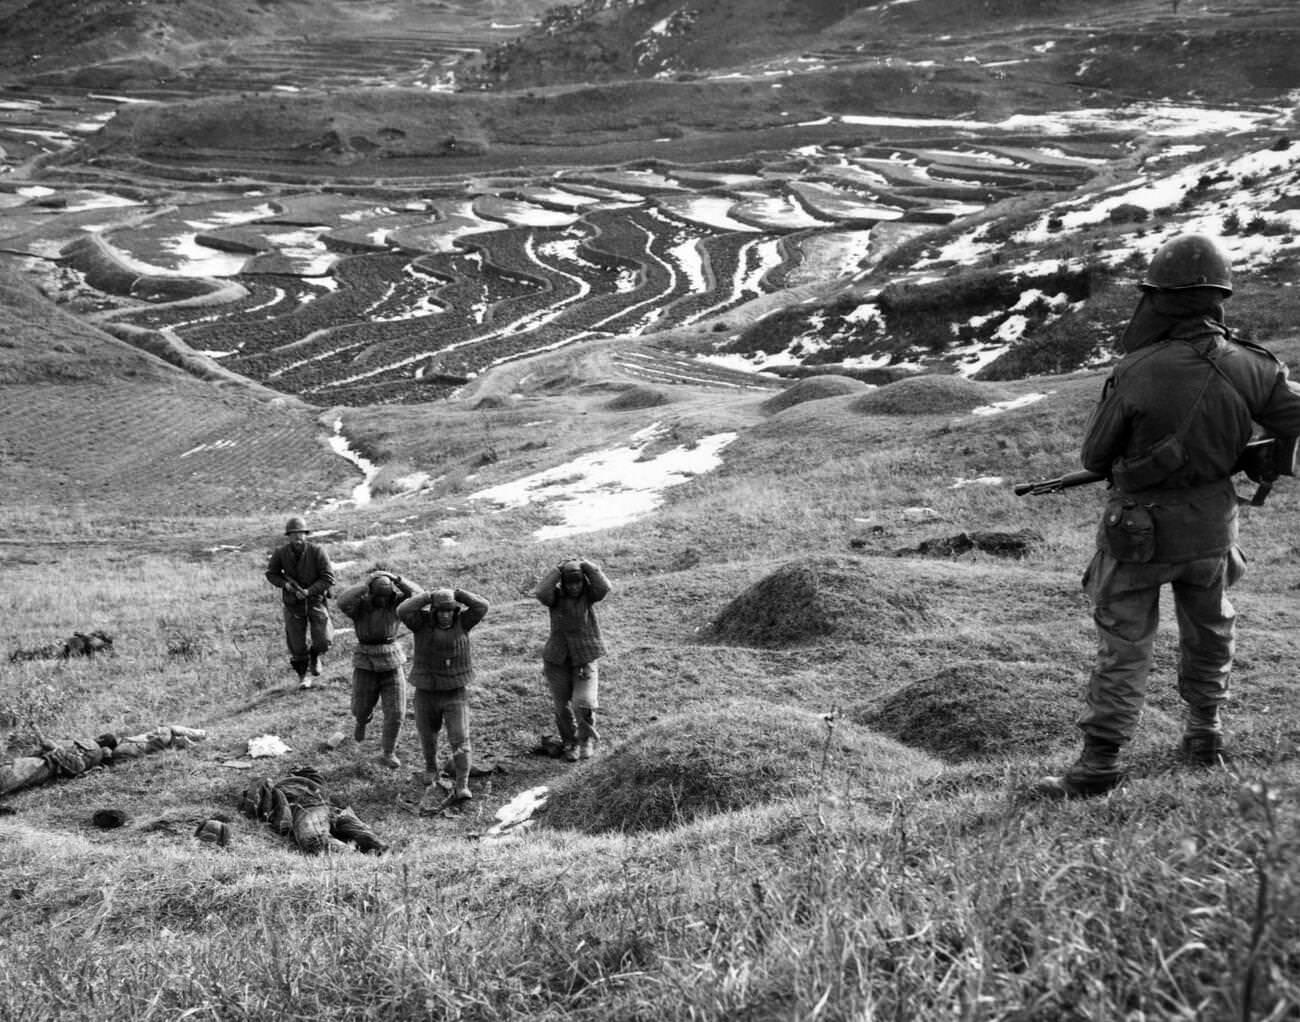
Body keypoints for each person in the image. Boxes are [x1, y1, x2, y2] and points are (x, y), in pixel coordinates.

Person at [1038, 233, 1300, 798]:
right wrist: (1260, 454)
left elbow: (1095, 458)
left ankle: (1099, 764)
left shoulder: (1138, 369)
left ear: (1158, 298)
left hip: (1137, 534)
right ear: (1216, 298)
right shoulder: (1254, 364)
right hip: (1211, 530)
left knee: (1124, 647)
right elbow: (1293, 414)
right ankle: (1205, 734)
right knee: (1210, 631)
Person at [397, 585, 490, 811]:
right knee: (427, 734)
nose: (446, 615)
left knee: (460, 738)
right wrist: (428, 597)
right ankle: (431, 769)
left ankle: (462, 784)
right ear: (434, 612)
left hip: (455, 693)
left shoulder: (464, 622)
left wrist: (459, 594)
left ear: (455, 611)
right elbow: (402, 610)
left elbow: (482, 605)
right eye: (441, 611)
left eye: (450, 610)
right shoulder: (421, 624)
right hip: (426, 691)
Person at [335, 570, 419, 769]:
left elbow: (418, 595)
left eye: (386, 594)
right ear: (371, 593)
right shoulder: (360, 607)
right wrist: (366, 584)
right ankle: (362, 721)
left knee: (397, 712)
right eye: (378, 595)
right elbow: (342, 601)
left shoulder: (397, 605)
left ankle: (388, 752)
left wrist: (397, 579)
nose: (383, 599)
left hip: (391, 659)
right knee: (360, 707)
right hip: (365, 660)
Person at [535, 558, 612, 762]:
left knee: (583, 703)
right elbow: (541, 592)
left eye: (578, 582)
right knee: (562, 707)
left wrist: (587, 565)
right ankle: (570, 742)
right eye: (570, 582)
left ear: (583, 581)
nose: (574, 586)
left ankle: (586, 739)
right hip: (556, 660)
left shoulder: (589, 596)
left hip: (585, 658)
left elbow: (604, 586)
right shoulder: (555, 598)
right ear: (563, 583)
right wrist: (557, 569)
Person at [264, 515, 335, 690]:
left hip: (315, 601)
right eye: (294, 534)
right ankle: (303, 676)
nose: (298, 537)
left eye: (301, 533)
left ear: (306, 534)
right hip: (292, 604)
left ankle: (315, 655)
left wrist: (310, 591)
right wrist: (286, 585)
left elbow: (328, 578)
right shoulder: (281, 553)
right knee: (296, 644)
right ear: (288, 536)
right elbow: (271, 574)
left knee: (324, 640)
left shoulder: (317, 551)